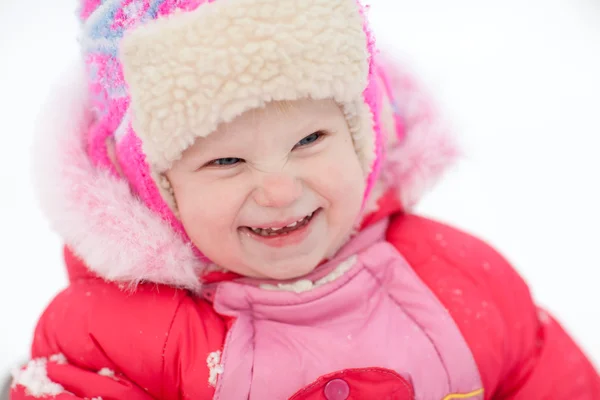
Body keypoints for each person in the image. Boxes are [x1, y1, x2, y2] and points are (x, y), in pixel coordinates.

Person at [10, 0, 600, 399]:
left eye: (311, 139)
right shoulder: (109, 339)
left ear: (364, 135)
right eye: (225, 161)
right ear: (152, 186)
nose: (280, 190)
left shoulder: (458, 280)